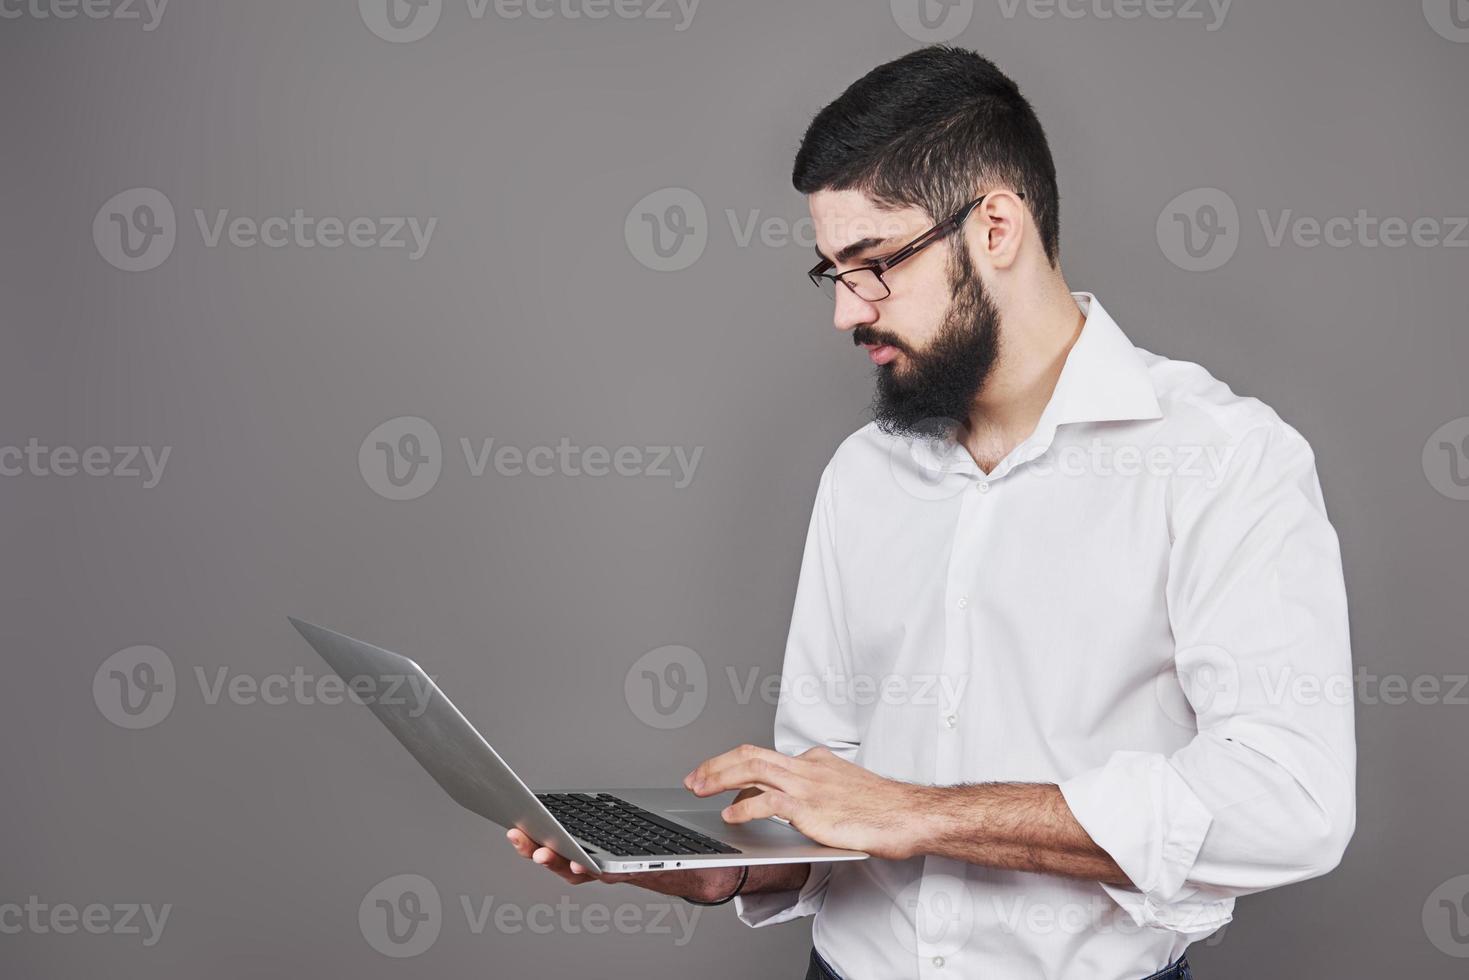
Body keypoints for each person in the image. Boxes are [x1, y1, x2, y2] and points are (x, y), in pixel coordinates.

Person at [506, 45, 1356, 980]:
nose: (846, 313)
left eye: (873, 264)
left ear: (996, 226)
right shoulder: (861, 474)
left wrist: (924, 812)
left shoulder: (1221, 458)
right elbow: (831, 792)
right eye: (832, 272)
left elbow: (1288, 801)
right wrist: (735, 872)